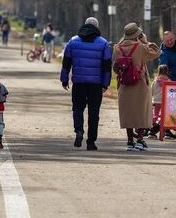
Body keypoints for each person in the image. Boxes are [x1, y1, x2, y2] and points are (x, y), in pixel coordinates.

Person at [60, 17, 112, 151]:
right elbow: (107, 66)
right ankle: (91, 142)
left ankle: (79, 130)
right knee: (94, 112)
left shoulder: (73, 41)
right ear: (97, 27)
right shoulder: (103, 43)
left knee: (77, 108)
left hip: (79, 82)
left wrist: (64, 79)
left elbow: (66, 62)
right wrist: (105, 84)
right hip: (96, 84)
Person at [114, 23, 161, 151]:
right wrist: (146, 41)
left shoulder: (117, 48)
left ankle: (130, 141)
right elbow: (156, 52)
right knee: (142, 112)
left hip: (124, 85)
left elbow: (115, 67)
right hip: (140, 84)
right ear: (137, 35)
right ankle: (140, 140)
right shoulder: (140, 47)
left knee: (128, 113)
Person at [150, 65, 170, 137]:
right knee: (163, 116)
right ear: (167, 72)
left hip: (156, 101)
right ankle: (162, 131)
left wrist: (153, 97)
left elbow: (151, 91)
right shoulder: (168, 81)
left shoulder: (155, 81)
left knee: (155, 115)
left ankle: (152, 126)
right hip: (164, 102)